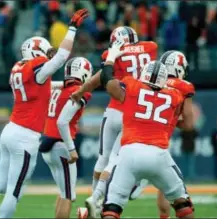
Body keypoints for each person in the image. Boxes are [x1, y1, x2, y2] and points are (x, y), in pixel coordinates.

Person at [0, 9, 89, 219]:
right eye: (45, 53)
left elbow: (45, 85)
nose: (48, 57)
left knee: (1, 181)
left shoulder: (18, 68)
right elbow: (62, 56)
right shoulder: (37, 68)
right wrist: (71, 28)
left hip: (10, 130)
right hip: (25, 136)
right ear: (37, 53)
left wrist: (73, 84)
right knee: (14, 191)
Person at [98, 41, 195, 219]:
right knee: (183, 204)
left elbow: (108, 82)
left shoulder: (132, 86)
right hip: (159, 153)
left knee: (112, 206)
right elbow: (186, 121)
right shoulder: (174, 96)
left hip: (130, 152)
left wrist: (111, 58)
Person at [71, 26, 158, 218]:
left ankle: (94, 203)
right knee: (116, 161)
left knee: (103, 159)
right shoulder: (150, 47)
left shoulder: (110, 53)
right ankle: (99, 200)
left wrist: (81, 90)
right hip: (133, 111)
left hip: (112, 111)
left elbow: (101, 78)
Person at [129, 50, 194, 219]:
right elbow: (189, 124)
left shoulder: (149, 79)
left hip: (134, 137)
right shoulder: (183, 86)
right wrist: (171, 122)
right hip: (158, 144)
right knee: (179, 195)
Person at [40, 57, 93, 218]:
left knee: (64, 193)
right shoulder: (76, 91)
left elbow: (48, 86)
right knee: (68, 196)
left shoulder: (58, 88)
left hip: (48, 144)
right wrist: (72, 149)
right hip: (61, 145)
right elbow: (62, 122)